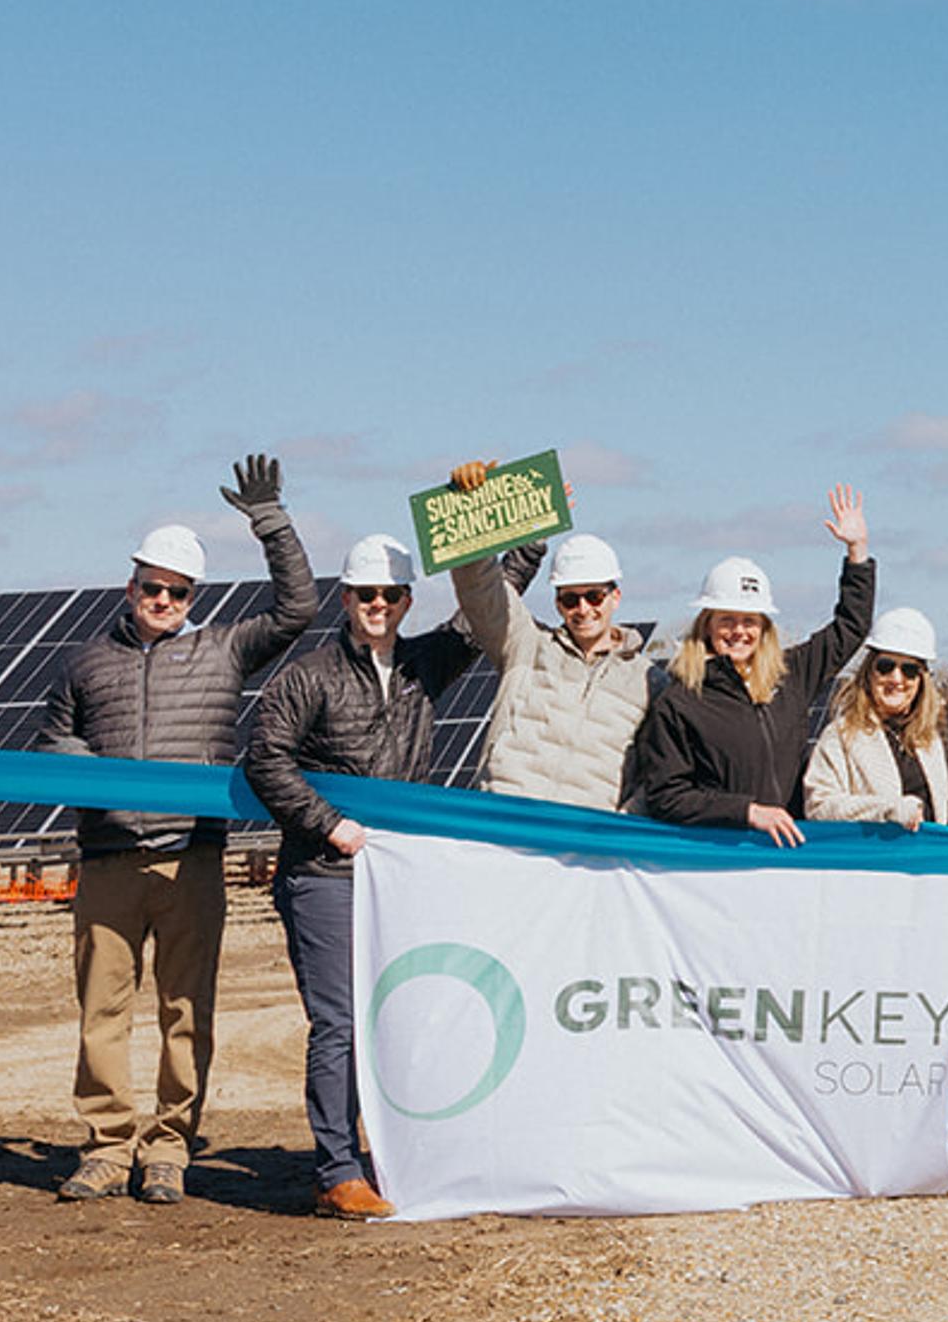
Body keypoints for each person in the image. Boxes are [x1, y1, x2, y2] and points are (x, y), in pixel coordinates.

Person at [36, 455, 316, 1207]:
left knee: (185, 1009)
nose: (163, 599)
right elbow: (52, 743)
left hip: (191, 859)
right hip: (107, 863)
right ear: (130, 587)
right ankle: (104, 1146)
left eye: (177, 591)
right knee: (102, 1012)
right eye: (151, 586)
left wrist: (271, 523)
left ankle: (168, 1146)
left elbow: (298, 610)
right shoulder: (86, 664)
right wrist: (78, 759)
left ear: (194, 596)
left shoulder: (223, 649)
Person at [242, 535, 494, 1220]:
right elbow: (266, 761)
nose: (377, 606)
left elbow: (488, 608)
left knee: (396, 1017)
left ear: (408, 600)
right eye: (364, 595)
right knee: (339, 1023)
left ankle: (389, 1155)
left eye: (389, 595)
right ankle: (336, 1170)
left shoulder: (425, 665)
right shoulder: (308, 676)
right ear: (345, 599)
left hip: (402, 878)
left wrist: (518, 523)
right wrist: (329, 824)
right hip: (324, 872)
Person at [622, 492, 878, 835]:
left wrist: (857, 553)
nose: (738, 631)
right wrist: (747, 812)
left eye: (750, 621)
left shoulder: (792, 674)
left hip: (785, 850)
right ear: (707, 624)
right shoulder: (680, 700)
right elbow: (668, 795)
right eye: (726, 619)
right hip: (718, 856)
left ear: (764, 627)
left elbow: (851, 627)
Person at [439, 460, 663, 806]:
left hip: (584, 844)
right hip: (502, 825)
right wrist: (472, 508)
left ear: (615, 597)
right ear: (558, 603)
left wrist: (622, 826)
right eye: (570, 599)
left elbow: (658, 774)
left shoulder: (650, 682)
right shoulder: (526, 646)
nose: (583, 609)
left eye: (594, 596)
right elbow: (480, 590)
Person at [800, 562, 948, 825]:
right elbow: (819, 806)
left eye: (909, 670)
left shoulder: (936, 726)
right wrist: (888, 811)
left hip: (934, 862)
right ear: (869, 672)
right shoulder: (842, 736)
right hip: (875, 863)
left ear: (921, 679)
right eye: (885, 667)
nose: (897, 679)